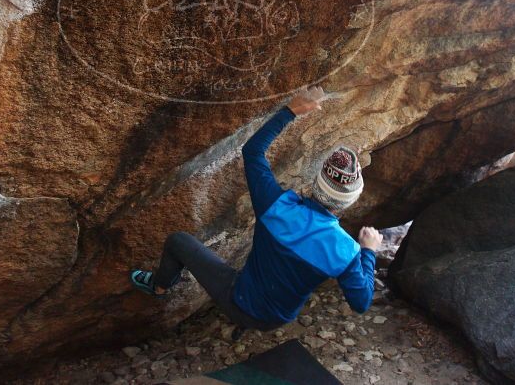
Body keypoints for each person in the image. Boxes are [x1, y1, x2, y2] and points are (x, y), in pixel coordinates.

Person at [129, 85, 382, 334]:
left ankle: (158, 287)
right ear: (350, 202)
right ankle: (245, 324)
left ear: (316, 185)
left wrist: (291, 110)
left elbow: (253, 151)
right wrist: (368, 252)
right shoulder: (346, 251)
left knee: (178, 241)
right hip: (277, 318)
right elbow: (361, 303)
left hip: (237, 300)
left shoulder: (275, 206)